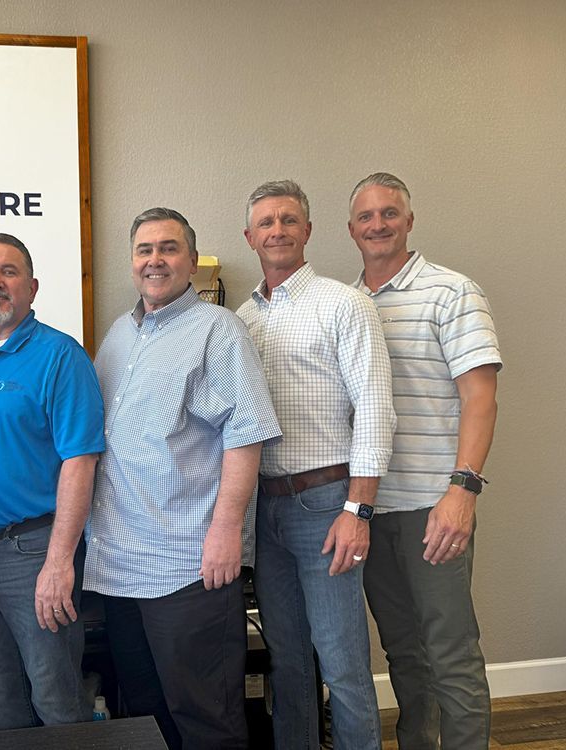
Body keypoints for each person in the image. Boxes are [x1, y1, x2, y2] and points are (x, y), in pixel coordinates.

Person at [84, 208, 282, 749]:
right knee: (145, 713)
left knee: (204, 716)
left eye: (168, 248)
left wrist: (227, 531)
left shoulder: (218, 330)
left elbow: (246, 434)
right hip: (120, 566)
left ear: (192, 261)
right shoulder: (120, 334)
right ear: (132, 262)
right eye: (144, 250)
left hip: (187, 565)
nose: (155, 260)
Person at [237, 180, 396, 750]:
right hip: (266, 509)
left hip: (327, 505)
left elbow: (375, 408)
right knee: (286, 660)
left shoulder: (343, 304)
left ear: (307, 230)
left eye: (288, 220)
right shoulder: (240, 319)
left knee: (342, 663)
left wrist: (358, 509)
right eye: (266, 222)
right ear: (249, 236)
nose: (277, 230)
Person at [348, 172, 501, 749]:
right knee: (404, 653)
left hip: (433, 507)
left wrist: (462, 492)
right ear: (350, 229)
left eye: (390, 213)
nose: (378, 224)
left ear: (409, 221)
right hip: (369, 507)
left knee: (450, 653)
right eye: (366, 216)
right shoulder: (347, 303)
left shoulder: (451, 291)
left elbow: (480, 397)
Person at [0, 233, 104, 729]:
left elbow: (81, 462)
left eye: (9, 271)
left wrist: (59, 562)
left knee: (55, 694)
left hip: (33, 553)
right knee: (2, 690)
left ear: (32, 287)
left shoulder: (60, 356)